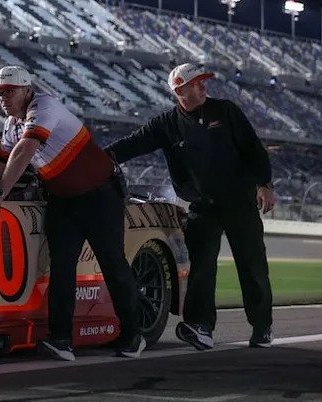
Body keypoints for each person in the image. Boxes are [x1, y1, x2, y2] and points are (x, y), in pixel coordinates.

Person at [0, 65, 144, 361]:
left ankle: (134, 333)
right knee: (61, 268)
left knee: (112, 263)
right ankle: (61, 339)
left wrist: (0, 192)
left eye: (9, 91)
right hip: (64, 198)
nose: (3, 98)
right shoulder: (11, 124)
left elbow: (25, 150)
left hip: (99, 194)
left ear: (27, 90)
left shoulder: (45, 106)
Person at [105, 62, 275, 349]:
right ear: (180, 90)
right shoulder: (166, 124)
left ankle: (262, 327)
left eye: (204, 81)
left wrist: (265, 184)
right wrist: (98, 157)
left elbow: (253, 148)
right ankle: (200, 327)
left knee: (252, 265)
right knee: (201, 266)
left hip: (239, 201)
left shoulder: (226, 111)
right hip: (201, 205)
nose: (204, 85)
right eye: (197, 82)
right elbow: (132, 144)